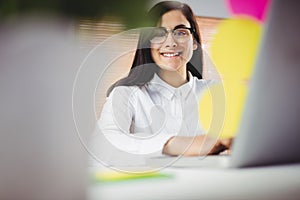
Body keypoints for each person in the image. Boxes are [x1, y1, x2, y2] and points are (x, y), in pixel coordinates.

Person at [98, 1, 232, 157]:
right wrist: (179, 145)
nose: (171, 43)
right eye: (159, 34)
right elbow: (104, 143)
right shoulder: (126, 94)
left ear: (194, 42)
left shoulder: (217, 92)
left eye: (181, 32)